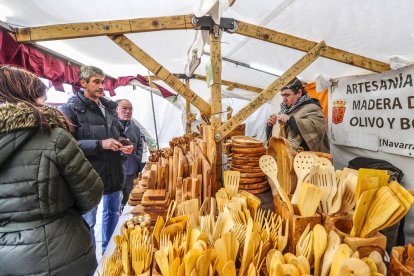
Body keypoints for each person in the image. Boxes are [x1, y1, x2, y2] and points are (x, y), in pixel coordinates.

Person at [0, 65, 103, 275]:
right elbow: (91, 194)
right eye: (42, 98)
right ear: (30, 97)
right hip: (60, 252)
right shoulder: (52, 135)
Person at [60, 65, 133, 254]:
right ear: (83, 83)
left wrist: (125, 143)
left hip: (114, 171)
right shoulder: (70, 109)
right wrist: (100, 144)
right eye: (96, 82)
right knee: (89, 222)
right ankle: (91, 258)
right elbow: (67, 145)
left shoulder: (108, 107)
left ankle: (110, 254)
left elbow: (119, 133)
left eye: (103, 81)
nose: (101, 86)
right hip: (87, 174)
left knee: (112, 215)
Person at [266, 77, 330, 153]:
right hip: (285, 157)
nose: (284, 99)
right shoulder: (284, 111)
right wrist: (270, 125)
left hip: (308, 160)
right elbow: (277, 137)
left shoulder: (312, 108)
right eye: (282, 95)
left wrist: (290, 120)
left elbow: (317, 129)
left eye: (287, 95)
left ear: (299, 93)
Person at [115, 99, 143, 213]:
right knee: (113, 206)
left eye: (130, 109)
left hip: (131, 171)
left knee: (129, 201)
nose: (128, 111)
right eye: (124, 108)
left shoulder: (135, 128)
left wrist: (138, 160)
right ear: (116, 110)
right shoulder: (110, 126)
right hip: (115, 172)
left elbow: (141, 146)